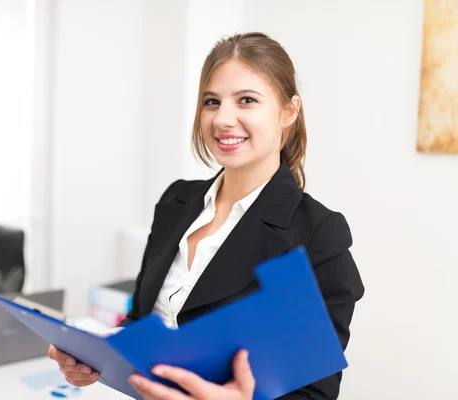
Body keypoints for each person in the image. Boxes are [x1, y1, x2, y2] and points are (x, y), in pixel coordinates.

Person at [48, 32, 365, 399]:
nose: (223, 119)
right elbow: (145, 325)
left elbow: (314, 393)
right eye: (211, 102)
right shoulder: (176, 203)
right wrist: (96, 356)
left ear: (288, 111)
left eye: (246, 100)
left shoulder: (317, 235)